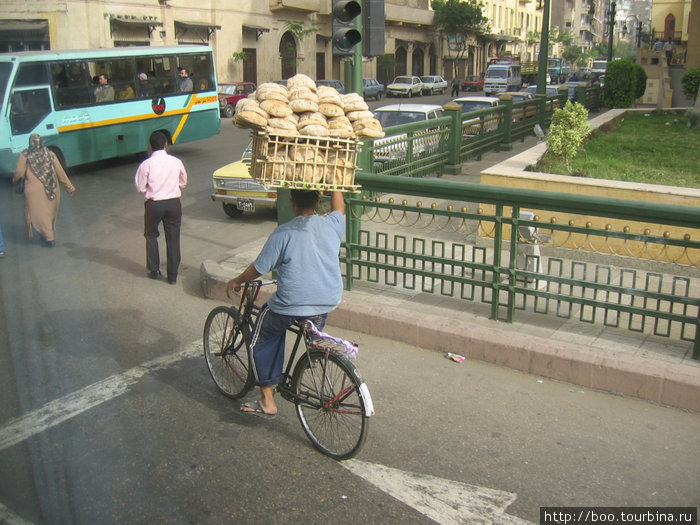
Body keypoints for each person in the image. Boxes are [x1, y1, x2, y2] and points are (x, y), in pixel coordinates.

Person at [227, 190, 346, 417]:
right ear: (318, 202)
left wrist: (237, 281)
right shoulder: (332, 224)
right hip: (327, 302)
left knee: (261, 336)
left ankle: (267, 401)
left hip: (290, 304)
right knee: (306, 326)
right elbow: (339, 207)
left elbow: (258, 268)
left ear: (292, 204)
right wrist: (336, 186)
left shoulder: (283, 233)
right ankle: (314, 350)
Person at [134, 132, 188, 284]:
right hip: (173, 203)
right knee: (173, 238)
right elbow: (183, 182)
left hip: (154, 204)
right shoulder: (176, 162)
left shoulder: (146, 165)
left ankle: (154, 270)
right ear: (166, 145)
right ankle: (172, 276)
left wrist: (152, 190)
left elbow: (140, 187)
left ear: (150, 146)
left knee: (151, 235)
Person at [12, 134, 76, 247]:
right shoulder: (50, 153)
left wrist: (15, 180)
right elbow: (60, 172)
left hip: (34, 191)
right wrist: (69, 187)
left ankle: (49, 239)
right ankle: (47, 235)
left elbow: (19, 173)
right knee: (48, 214)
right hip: (52, 188)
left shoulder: (25, 155)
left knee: (39, 215)